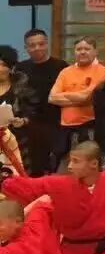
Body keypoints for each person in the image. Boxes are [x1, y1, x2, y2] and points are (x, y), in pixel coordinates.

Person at [15, 28, 67, 176]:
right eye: (32, 45)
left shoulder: (61, 66)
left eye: (41, 44)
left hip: (55, 123)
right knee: (30, 167)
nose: (37, 48)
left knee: (52, 166)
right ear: (26, 48)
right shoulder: (20, 69)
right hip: (27, 125)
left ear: (47, 44)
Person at [49, 37, 105, 164]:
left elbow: (87, 97)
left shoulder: (102, 71)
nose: (82, 52)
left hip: (89, 127)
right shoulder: (65, 72)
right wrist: (79, 98)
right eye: (78, 49)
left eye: (87, 49)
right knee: (62, 165)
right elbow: (52, 98)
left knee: (86, 163)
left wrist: (65, 96)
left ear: (95, 51)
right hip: (64, 127)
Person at [0, 45, 37, 175]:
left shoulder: (22, 87)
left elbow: (35, 111)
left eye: (3, 65)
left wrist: (23, 120)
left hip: (17, 139)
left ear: (11, 68)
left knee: (16, 177)